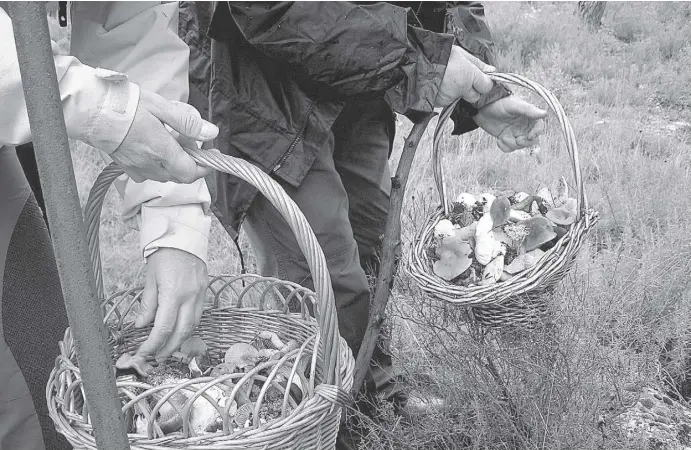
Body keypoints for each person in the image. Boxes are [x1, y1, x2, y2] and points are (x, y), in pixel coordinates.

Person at [177, 0, 547, 427]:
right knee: (326, 273)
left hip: (360, 72)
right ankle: (327, 420)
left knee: (372, 245)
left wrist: (480, 93)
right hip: (261, 88)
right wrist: (416, 58)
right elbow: (268, 8)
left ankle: (372, 395)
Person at [0, 3, 220, 449]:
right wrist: (94, 105)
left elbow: (128, 14)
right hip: (22, 94)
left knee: (43, 392)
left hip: (18, 119)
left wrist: (172, 214)